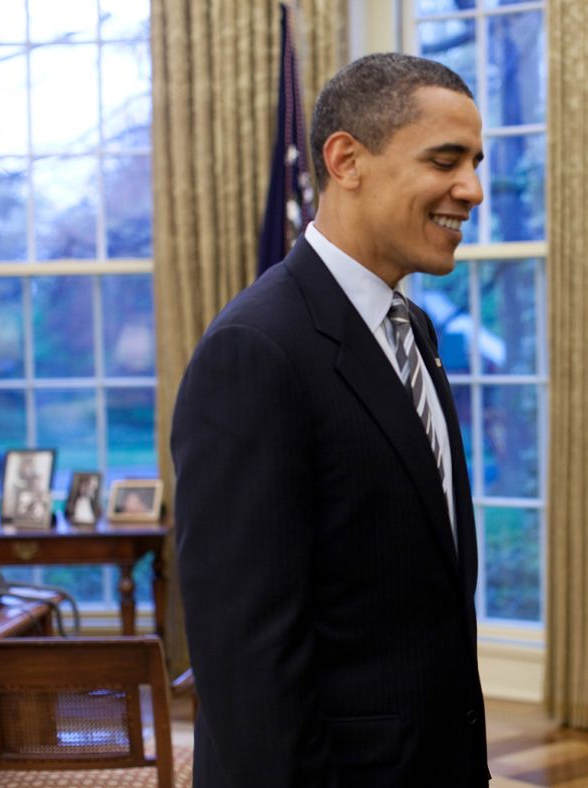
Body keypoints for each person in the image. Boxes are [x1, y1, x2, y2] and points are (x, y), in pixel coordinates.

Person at [172, 53, 489, 787]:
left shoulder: (413, 329)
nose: (471, 189)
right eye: (446, 160)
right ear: (347, 160)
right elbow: (245, 660)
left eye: (474, 162)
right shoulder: (254, 352)